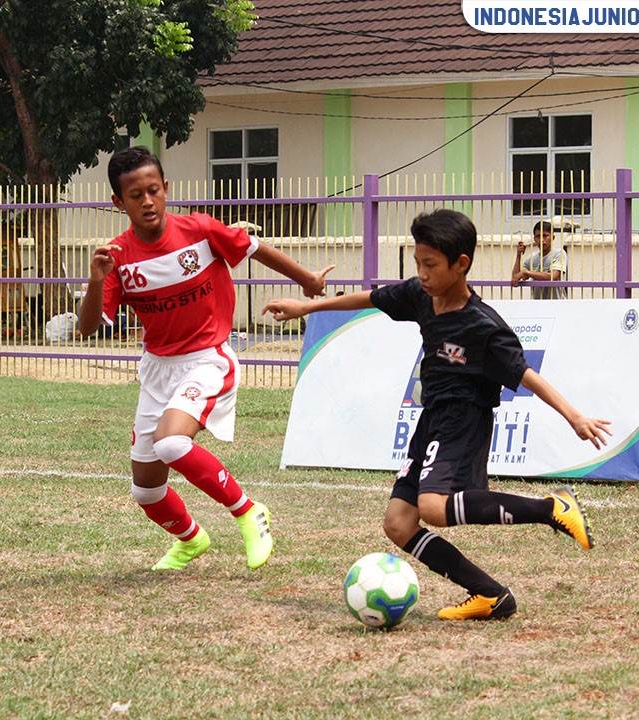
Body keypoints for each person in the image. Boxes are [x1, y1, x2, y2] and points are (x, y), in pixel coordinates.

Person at [263, 209, 611, 620]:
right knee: (399, 523)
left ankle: (550, 508)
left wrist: (574, 416)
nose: (422, 273)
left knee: (432, 506)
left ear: (461, 263)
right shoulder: (421, 296)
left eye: (430, 265)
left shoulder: (485, 328)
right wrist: (307, 308)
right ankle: (490, 595)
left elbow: (527, 375)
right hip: (431, 417)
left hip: (465, 418)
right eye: (417, 263)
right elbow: (372, 298)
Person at [77, 146, 334, 571]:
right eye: (135, 195)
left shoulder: (199, 229)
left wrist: (305, 278)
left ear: (165, 190)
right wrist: (94, 280)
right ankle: (190, 539)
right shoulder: (117, 259)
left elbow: (255, 248)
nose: (147, 202)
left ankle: (249, 511)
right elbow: (87, 328)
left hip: (207, 359)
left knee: (172, 441)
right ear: (118, 202)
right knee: (146, 490)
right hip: (158, 369)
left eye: (153, 190)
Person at [511, 219, 568, 299]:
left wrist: (527, 273)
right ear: (534, 239)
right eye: (538, 236)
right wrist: (518, 256)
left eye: (545, 236)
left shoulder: (559, 253)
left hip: (557, 304)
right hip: (537, 304)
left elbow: (553, 276)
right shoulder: (532, 258)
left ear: (553, 237)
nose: (542, 240)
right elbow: (515, 278)